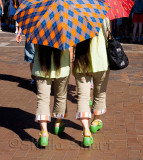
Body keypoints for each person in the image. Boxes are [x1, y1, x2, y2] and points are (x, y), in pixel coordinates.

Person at [72, 17, 110, 147]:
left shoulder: (76, 16)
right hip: (101, 62)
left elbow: (72, 41)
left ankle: (86, 132)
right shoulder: (103, 16)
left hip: (82, 62)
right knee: (100, 93)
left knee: (83, 97)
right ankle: (95, 121)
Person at [32, 44, 70, 147]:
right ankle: (58, 122)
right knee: (61, 95)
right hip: (62, 66)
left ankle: (44, 132)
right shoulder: (65, 28)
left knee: (42, 99)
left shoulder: (39, 28)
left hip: (42, 65)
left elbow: (35, 46)